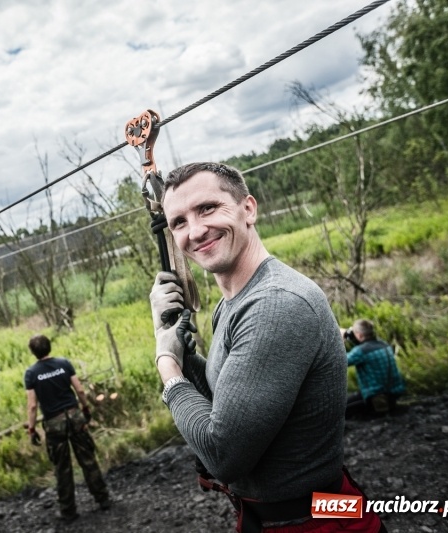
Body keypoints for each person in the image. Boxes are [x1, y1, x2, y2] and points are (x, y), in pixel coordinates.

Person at [149, 162, 385, 532]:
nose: (195, 231)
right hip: (282, 516)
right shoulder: (231, 303)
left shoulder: (275, 304)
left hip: (315, 521)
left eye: (208, 208)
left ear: (249, 209)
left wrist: (167, 363)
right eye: (178, 222)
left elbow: (222, 455)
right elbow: (228, 401)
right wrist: (173, 340)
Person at [24, 334, 111, 523]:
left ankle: (68, 511)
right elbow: (79, 390)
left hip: (54, 424)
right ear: (49, 347)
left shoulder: (31, 373)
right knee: (88, 459)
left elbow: (32, 405)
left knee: (62, 468)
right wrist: (86, 408)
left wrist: (32, 430)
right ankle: (103, 499)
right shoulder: (64, 363)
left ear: (33, 352)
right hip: (74, 416)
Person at [341, 319, 406, 417]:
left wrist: (340, 341)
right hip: (393, 395)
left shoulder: (361, 351)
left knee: (338, 408)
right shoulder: (384, 345)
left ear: (359, 335)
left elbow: (338, 363)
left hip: (375, 398)